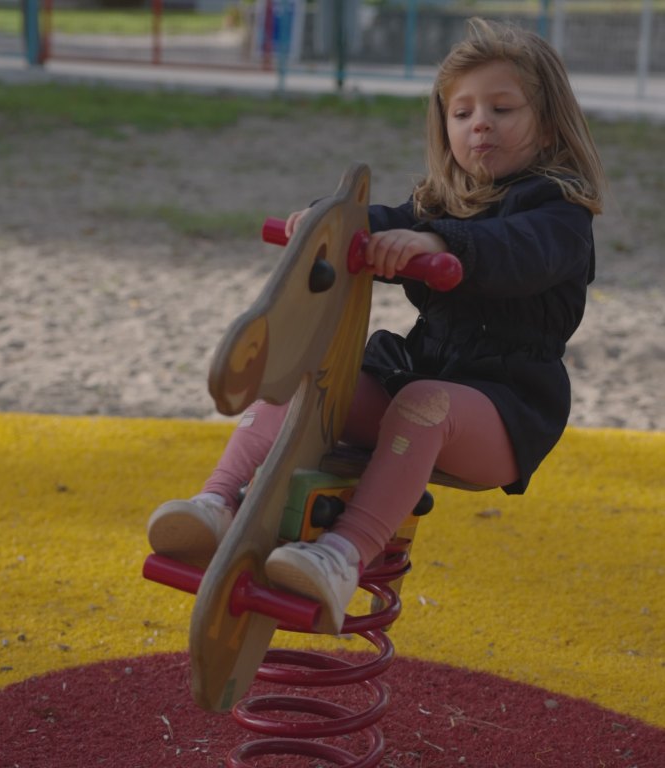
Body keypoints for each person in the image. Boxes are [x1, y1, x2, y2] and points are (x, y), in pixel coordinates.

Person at [147, 17, 604, 635]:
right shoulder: (441, 204)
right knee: (318, 382)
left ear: (547, 123)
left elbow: (514, 252)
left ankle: (340, 558)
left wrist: (436, 241)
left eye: (502, 108)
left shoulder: (558, 214)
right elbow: (382, 219)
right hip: (421, 377)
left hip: (505, 409)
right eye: (461, 112)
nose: (480, 124)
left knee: (423, 402)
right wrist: (331, 224)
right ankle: (216, 502)